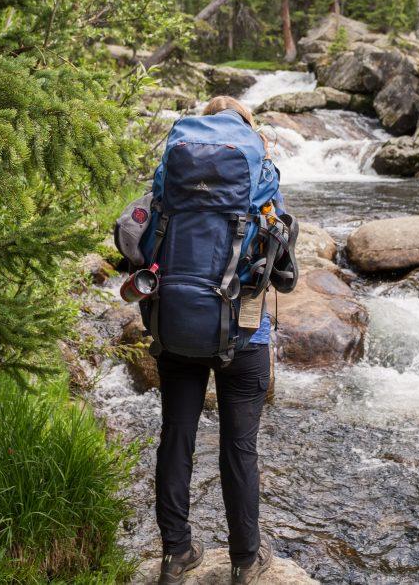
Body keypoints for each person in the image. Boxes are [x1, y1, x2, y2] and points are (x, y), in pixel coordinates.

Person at [155, 96, 282, 585]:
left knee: (177, 434)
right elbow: (282, 259)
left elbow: (147, 237)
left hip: (179, 318)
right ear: (247, 127)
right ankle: (245, 561)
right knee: (239, 444)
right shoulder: (260, 169)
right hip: (244, 328)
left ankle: (176, 554)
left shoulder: (176, 163)